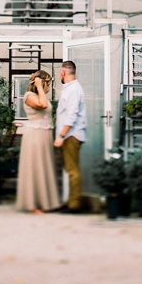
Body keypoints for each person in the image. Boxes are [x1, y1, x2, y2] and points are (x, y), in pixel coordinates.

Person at [15, 70, 61, 214]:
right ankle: (32, 204)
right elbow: (42, 105)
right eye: (48, 84)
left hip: (44, 134)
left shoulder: (39, 95)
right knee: (35, 168)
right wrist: (40, 87)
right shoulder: (30, 96)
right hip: (35, 136)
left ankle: (44, 202)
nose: (49, 87)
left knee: (44, 167)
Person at [55, 60, 87, 213]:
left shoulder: (73, 90)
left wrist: (61, 135)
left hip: (71, 135)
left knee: (73, 170)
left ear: (63, 72)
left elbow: (71, 115)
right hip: (70, 134)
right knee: (70, 169)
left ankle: (74, 205)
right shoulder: (70, 88)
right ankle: (70, 202)